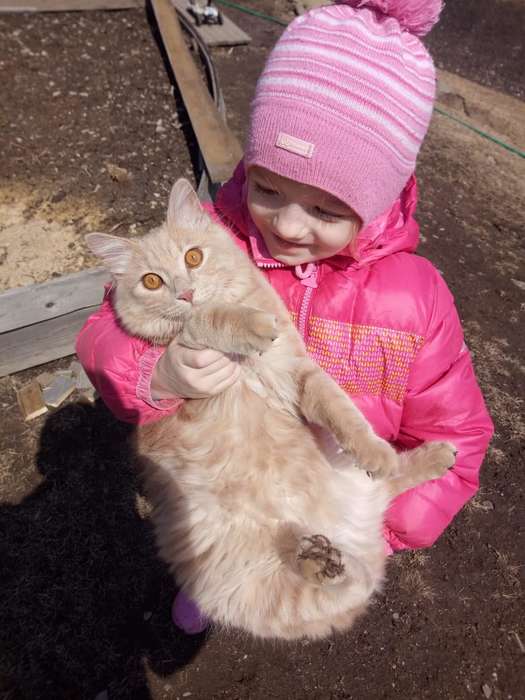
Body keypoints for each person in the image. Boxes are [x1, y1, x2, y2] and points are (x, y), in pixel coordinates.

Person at [76, 0, 494, 634]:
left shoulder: (415, 298)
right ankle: (223, 580)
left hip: (331, 482)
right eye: (268, 189)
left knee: (310, 551)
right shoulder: (213, 239)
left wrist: (382, 521)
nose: (289, 226)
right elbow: (103, 334)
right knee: (217, 554)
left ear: (377, 200)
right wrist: (159, 375)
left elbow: (458, 435)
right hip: (225, 475)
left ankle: (287, 562)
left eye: (326, 210)